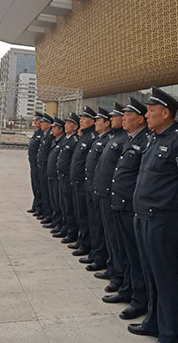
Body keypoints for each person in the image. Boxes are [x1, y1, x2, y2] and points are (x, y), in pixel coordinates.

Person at [128, 87, 178, 343]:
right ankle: (153, 322)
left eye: (151, 111)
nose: (146, 115)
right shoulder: (154, 138)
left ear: (165, 113)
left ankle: (169, 333)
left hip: (162, 220)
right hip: (143, 217)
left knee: (165, 278)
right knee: (151, 274)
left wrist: (177, 213)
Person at [107, 97, 149, 319]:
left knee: (135, 255)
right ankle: (127, 289)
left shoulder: (145, 141)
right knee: (125, 251)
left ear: (140, 119)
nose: (123, 118)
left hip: (132, 207)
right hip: (120, 203)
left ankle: (139, 299)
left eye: (128, 114)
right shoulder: (131, 139)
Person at [93, 102, 128, 293]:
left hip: (114, 195)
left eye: (116, 116)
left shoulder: (124, 139)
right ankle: (112, 268)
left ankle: (118, 275)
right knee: (109, 235)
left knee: (115, 237)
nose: (113, 119)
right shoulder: (115, 137)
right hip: (105, 193)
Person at [82, 107, 113, 271]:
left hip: (100, 189)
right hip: (91, 186)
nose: (95, 123)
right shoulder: (99, 139)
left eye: (98, 121)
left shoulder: (109, 139)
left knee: (99, 225)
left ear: (106, 123)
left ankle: (100, 257)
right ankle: (94, 253)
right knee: (93, 222)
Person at [69, 106, 98, 256]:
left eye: (85, 118)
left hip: (84, 183)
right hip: (78, 182)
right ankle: (82, 240)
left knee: (86, 217)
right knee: (79, 214)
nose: (81, 121)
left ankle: (86, 244)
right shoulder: (83, 137)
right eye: (81, 118)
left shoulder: (92, 137)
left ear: (92, 122)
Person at [54, 113, 80, 243]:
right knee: (63, 205)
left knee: (69, 207)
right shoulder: (67, 139)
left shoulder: (75, 140)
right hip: (62, 177)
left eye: (69, 123)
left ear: (75, 127)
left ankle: (71, 232)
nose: (66, 125)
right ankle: (65, 227)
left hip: (68, 178)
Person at [45, 117, 66, 233]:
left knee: (59, 202)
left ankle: (60, 223)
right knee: (54, 200)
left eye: (54, 127)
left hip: (59, 176)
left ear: (60, 129)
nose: (52, 129)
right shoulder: (56, 140)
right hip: (52, 174)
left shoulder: (63, 141)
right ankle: (55, 220)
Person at [36, 114, 54, 223]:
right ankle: (44, 211)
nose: (41, 124)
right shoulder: (45, 135)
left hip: (46, 166)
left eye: (43, 122)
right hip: (41, 165)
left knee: (47, 192)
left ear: (48, 124)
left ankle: (48, 214)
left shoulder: (50, 136)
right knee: (41, 190)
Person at [27, 112, 44, 215]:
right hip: (33, 163)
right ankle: (35, 205)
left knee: (38, 187)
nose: (35, 122)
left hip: (37, 164)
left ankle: (39, 208)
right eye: (34, 120)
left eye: (37, 120)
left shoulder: (42, 134)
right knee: (34, 186)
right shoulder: (36, 133)